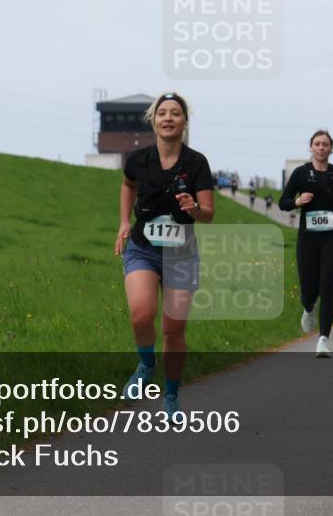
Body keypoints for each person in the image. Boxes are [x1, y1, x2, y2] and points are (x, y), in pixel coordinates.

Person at [114, 92, 214, 421]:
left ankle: (171, 397)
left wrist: (194, 209)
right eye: (162, 113)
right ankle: (146, 364)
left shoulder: (196, 163)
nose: (168, 118)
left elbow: (208, 214)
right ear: (153, 120)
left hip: (181, 253)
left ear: (185, 122)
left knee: (173, 331)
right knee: (141, 315)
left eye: (175, 113)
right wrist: (124, 222)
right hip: (143, 247)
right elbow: (128, 185)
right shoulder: (138, 159)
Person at [280, 130, 333, 357]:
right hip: (308, 238)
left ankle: (323, 340)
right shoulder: (301, 173)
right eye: (317, 144)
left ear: (331, 148)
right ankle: (308, 308)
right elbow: (283, 202)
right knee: (308, 290)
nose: (321, 147)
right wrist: (298, 201)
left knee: (327, 287)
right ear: (311, 147)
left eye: (325, 144)